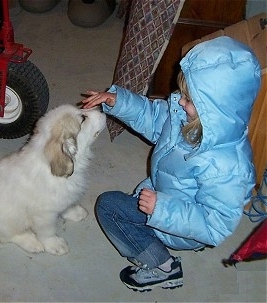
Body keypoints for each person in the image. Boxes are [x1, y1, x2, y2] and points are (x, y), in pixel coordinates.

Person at [81, 36, 261, 292]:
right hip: (167, 195)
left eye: (190, 100)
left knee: (109, 207)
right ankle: (158, 233)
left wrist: (161, 209)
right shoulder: (183, 114)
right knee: (132, 199)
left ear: (216, 110)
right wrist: (117, 101)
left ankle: (164, 267)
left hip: (182, 222)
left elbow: (216, 225)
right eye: (184, 94)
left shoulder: (228, 165)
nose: (180, 102)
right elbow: (153, 117)